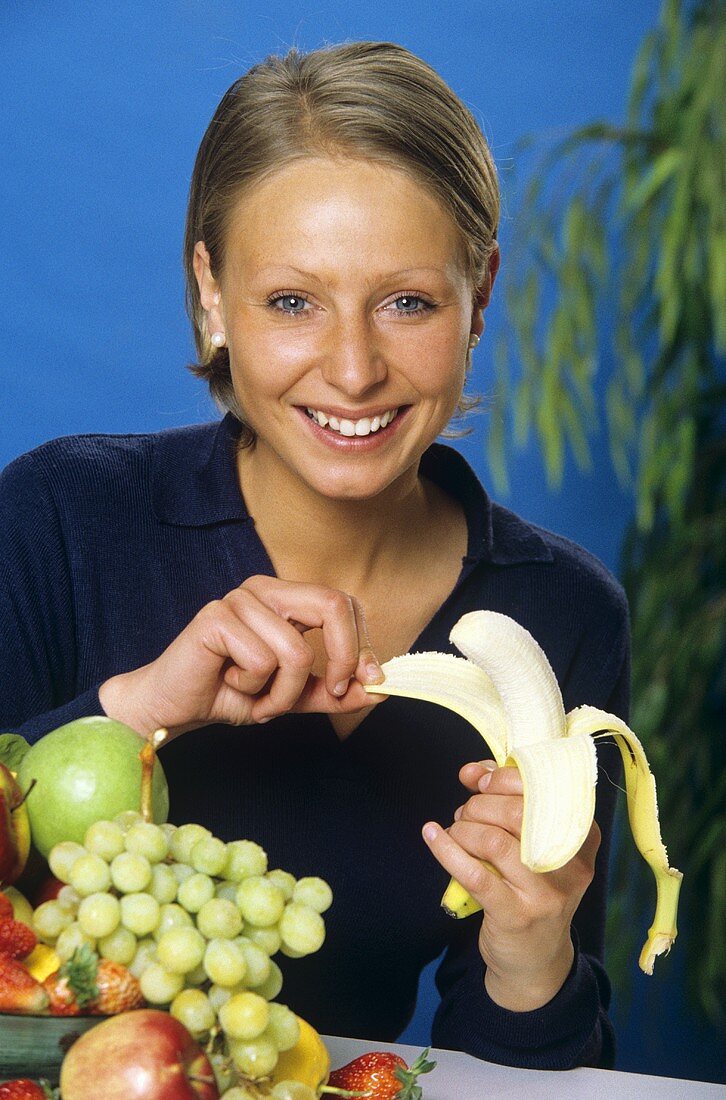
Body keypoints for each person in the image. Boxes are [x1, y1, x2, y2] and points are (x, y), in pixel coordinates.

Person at [0, 42, 628, 1070]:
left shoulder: (564, 615)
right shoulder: (61, 518)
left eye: (408, 302)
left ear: (482, 294)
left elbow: (515, 1073)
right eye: (293, 300)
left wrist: (530, 949)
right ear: (211, 293)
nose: (352, 368)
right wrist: (138, 710)